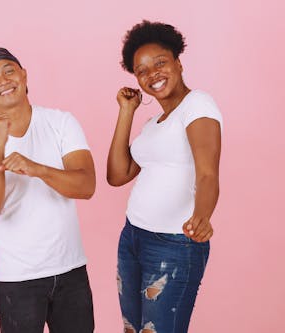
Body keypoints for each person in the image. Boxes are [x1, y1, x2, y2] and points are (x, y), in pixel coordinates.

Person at [0, 47, 95, 333]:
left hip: (70, 270)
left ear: (24, 75)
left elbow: (86, 186)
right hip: (17, 279)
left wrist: (39, 169)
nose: (4, 80)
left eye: (9, 70)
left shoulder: (61, 122)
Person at [107, 21, 222, 333]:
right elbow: (117, 176)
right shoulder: (153, 123)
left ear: (178, 62)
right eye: (141, 70)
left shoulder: (197, 104)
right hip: (132, 238)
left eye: (160, 63)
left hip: (173, 244)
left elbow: (209, 173)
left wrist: (203, 215)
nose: (152, 74)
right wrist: (126, 111)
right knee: (132, 328)